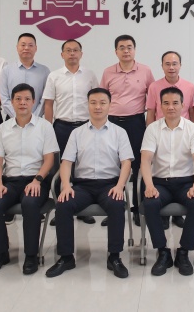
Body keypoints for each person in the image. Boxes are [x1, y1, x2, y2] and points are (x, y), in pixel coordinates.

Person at [45, 88, 134, 279]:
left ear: (110, 105)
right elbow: (66, 162)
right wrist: (66, 186)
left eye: (102, 102)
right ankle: (66, 257)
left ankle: (114, 257)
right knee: (63, 204)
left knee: (117, 205)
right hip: (82, 186)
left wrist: (120, 186)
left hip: (109, 184)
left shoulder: (119, 132)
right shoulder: (77, 133)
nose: (98, 107)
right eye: (93, 102)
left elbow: (126, 162)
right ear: (88, 105)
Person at [0, 83, 58, 275]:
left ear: (34, 102)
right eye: (18, 99)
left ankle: (31, 255)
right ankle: (0, 253)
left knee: (30, 204)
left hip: (36, 180)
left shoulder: (45, 126)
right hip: (10, 181)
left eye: (27, 99)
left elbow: (50, 159)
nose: (22, 103)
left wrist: (37, 180)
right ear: (12, 102)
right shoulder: (3, 128)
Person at [141, 87, 194, 277]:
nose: (171, 107)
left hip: (186, 182)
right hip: (160, 183)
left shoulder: (193, 129)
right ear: (160, 106)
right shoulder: (152, 129)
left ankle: (183, 252)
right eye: (166, 103)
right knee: (149, 203)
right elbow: (145, 160)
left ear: (183, 105)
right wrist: (149, 186)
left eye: (175, 103)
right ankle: (163, 252)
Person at [43, 39, 99, 225]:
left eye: (75, 50)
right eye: (68, 50)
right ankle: (61, 208)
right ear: (62, 54)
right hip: (62, 126)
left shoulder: (90, 75)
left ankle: (82, 209)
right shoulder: (54, 76)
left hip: (85, 126)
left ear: (81, 54)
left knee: (82, 167)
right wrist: (48, 128)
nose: (72, 53)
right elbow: (48, 104)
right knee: (61, 168)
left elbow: (97, 100)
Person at [100, 34, 154, 226]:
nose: (126, 51)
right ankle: (114, 207)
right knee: (114, 165)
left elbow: (152, 98)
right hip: (113, 123)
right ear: (116, 51)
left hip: (136, 123)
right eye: (121, 47)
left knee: (139, 165)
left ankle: (139, 208)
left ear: (134, 50)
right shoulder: (108, 72)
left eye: (129, 47)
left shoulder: (145, 71)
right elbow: (103, 98)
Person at [146, 50, 194, 229]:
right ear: (162, 66)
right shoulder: (154, 87)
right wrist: (149, 134)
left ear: (180, 65)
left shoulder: (189, 87)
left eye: (175, 63)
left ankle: (177, 215)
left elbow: (192, 112)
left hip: (183, 135)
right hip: (160, 134)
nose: (171, 67)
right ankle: (163, 216)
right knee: (162, 172)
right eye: (167, 64)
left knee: (180, 172)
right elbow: (151, 112)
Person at [0, 33, 50, 120]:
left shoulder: (44, 71)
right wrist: (17, 118)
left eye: (30, 45)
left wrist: (33, 118)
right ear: (17, 47)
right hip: (12, 119)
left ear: (36, 48)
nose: (26, 48)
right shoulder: (7, 70)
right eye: (23, 45)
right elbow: (4, 97)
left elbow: (45, 99)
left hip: (37, 119)